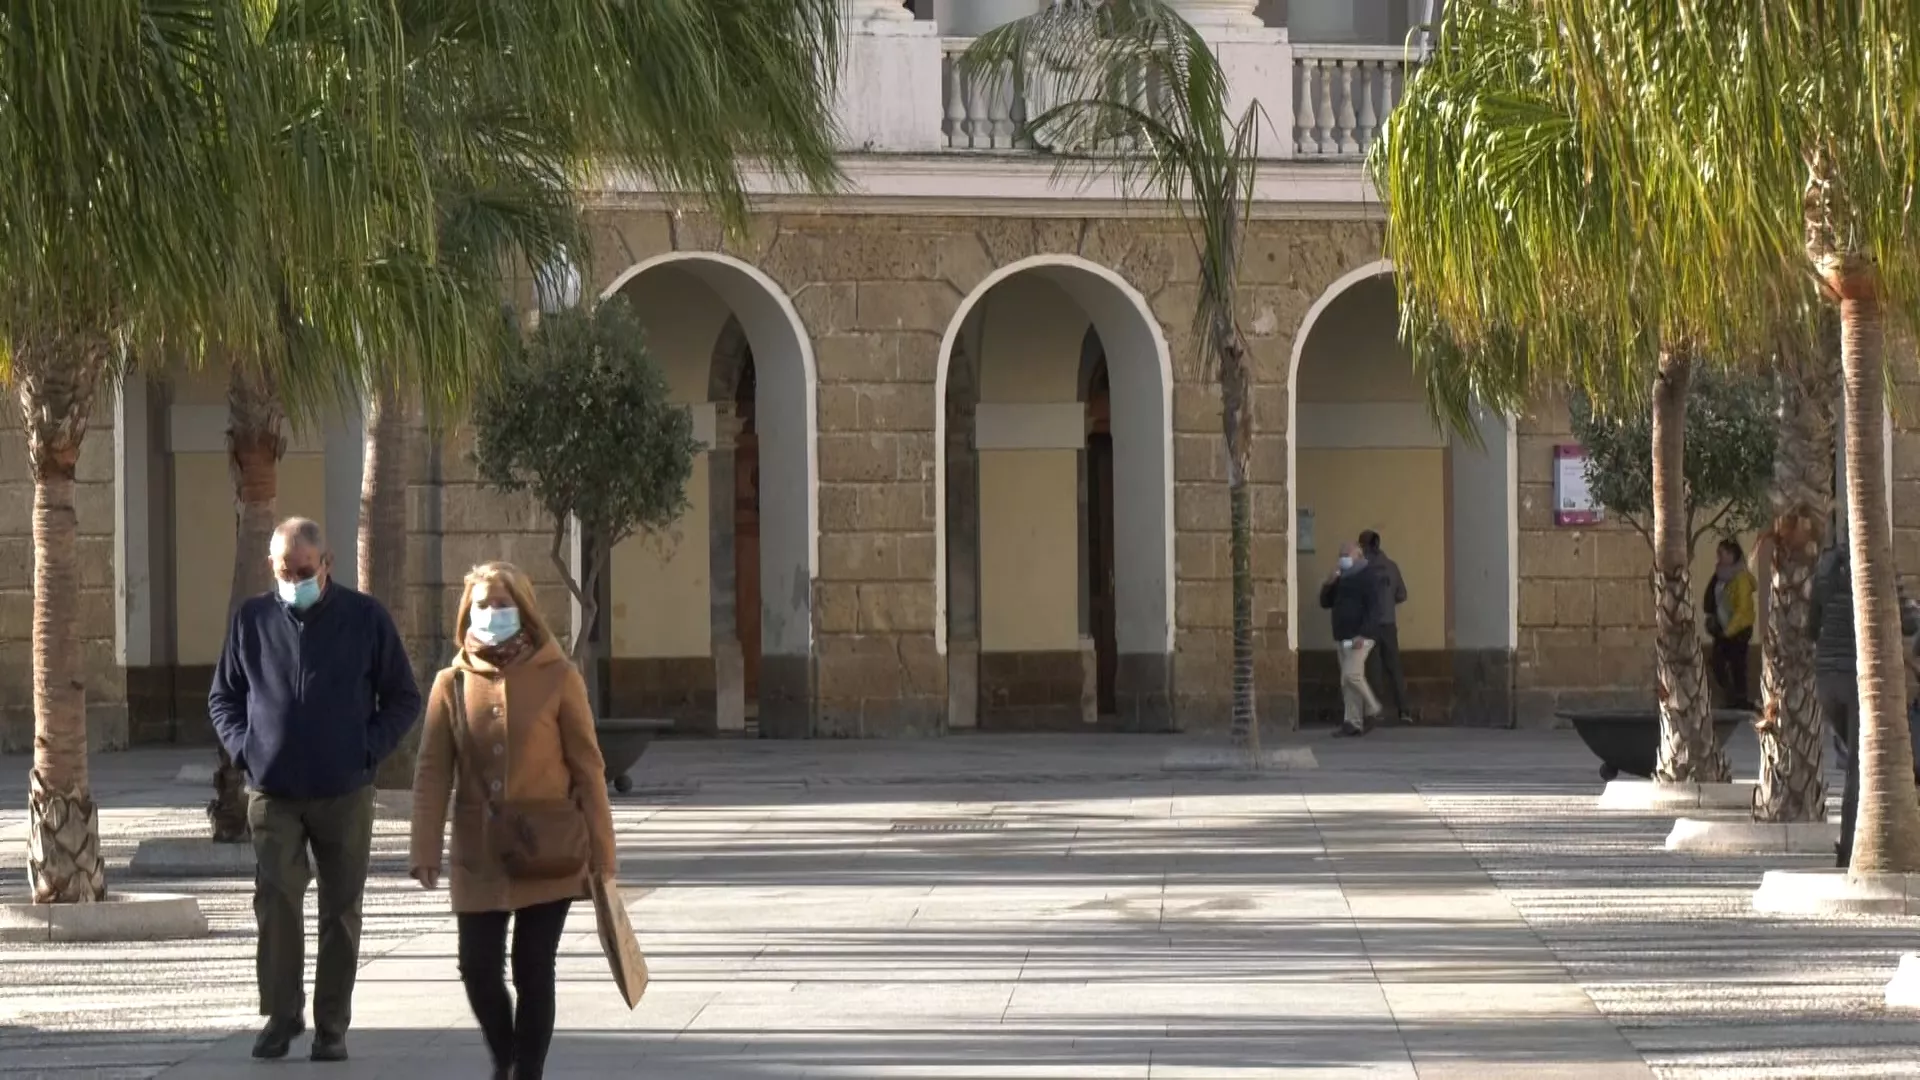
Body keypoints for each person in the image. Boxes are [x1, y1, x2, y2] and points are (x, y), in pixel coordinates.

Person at [207, 518, 422, 1063]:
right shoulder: (251, 620)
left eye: (305, 570)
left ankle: (332, 1025)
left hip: (344, 791)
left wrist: (367, 749)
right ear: (272, 567)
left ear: (326, 565)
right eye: (285, 571)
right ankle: (281, 1017)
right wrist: (245, 750)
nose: (295, 579)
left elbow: (403, 698)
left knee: (341, 908)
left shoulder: (365, 619)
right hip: (272, 791)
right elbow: (223, 699)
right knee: (277, 900)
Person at [410, 562, 618, 1080]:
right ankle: (505, 1056)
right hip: (477, 852)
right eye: (482, 605)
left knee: (533, 965)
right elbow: (433, 772)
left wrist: (604, 855)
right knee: (477, 967)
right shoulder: (450, 683)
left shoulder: (558, 675)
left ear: (523, 611)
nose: (492, 614)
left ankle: (528, 1071)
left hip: (549, 847)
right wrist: (423, 848)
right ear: (467, 613)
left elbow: (588, 768)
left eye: (502, 605)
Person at [1807, 537, 1920, 867]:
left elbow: (1811, 626)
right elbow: (1910, 623)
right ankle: (1853, 849)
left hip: (1825, 678)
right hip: (1858, 677)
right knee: (1862, 765)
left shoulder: (1825, 568)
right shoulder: (1880, 565)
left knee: (1857, 760)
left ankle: (1852, 843)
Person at [1320, 541, 1387, 738]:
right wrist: (1329, 583)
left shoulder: (1368, 576)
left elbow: (1375, 609)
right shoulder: (1341, 577)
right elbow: (1325, 602)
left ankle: (1374, 708)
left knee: (1352, 675)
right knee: (1346, 681)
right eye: (1341, 554)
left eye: (1347, 554)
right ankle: (1352, 722)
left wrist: (1364, 633)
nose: (1343, 558)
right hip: (1343, 636)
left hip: (1361, 636)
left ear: (1358, 555)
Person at [1358, 530, 1410, 723]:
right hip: (1389, 623)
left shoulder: (1363, 568)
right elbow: (1402, 594)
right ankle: (1404, 710)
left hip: (1370, 624)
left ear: (1364, 546)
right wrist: (1387, 601)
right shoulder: (1392, 566)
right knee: (1395, 667)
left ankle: (1375, 712)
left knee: (1374, 669)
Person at [1702, 538, 1758, 710]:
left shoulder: (1740, 578)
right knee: (1718, 663)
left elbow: (1743, 608)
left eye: (1722, 552)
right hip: (1723, 628)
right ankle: (1733, 697)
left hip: (1738, 629)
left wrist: (1729, 630)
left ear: (1732, 555)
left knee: (1737, 665)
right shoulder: (1720, 575)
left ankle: (1740, 700)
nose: (1718, 556)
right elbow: (1711, 598)